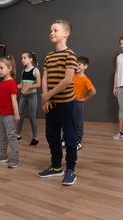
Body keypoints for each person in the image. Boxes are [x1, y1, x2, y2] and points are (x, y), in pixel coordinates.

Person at [37, 19, 78, 186]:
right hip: (51, 104)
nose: (52, 33)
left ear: (66, 34)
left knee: (69, 136)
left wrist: (48, 96)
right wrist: (46, 98)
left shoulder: (70, 55)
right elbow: (45, 77)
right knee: (51, 136)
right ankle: (56, 166)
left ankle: (71, 169)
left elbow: (68, 80)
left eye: (55, 30)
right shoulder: (48, 56)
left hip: (66, 104)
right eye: (50, 30)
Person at [0, 55, 20, 168]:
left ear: (10, 68)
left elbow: (14, 100)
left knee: (11, 135)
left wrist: (16, 114)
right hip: (0, 114)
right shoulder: (1, 84)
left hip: (9, 114)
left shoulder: (12, 83)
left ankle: (15, 157)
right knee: (1, 135)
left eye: (1, 68)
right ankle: (2, 155)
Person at [16, 51, 41, 146]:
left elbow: (38, 84)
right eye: (22, 58)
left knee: (32, 117)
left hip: (32, 97)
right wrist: (12, 88)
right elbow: (21, 84)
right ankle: (18, 135)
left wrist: (29, 87)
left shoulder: (35, 70)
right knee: (20, 116)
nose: (22, 60)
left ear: (30, 59)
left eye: (24, 58)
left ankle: (35, 138)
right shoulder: (23, 71)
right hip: (23, 96)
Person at [72, 56, 96, 150]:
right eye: (76, 64)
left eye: (79, 65)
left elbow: (93, 91)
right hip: (69, 102)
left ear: (85, 67)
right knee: (68, 122)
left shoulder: (85, 79)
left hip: (78, 103)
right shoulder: (72, 76)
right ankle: (65, 139)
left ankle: (78, 142)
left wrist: (84, 99)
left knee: (78, 123)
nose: (77, 66)